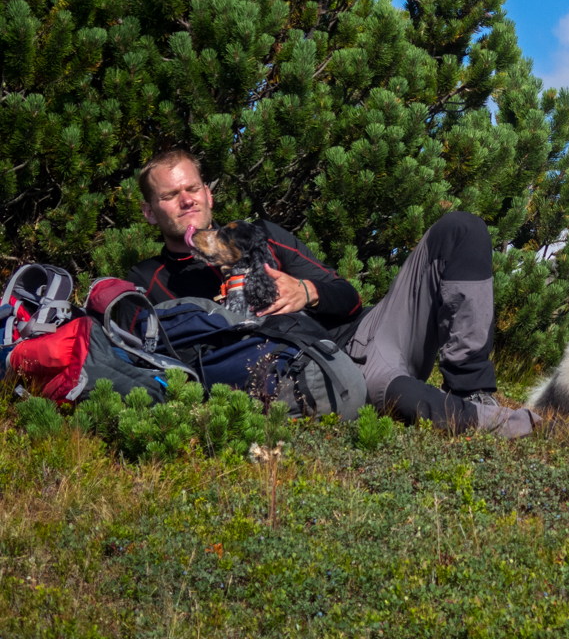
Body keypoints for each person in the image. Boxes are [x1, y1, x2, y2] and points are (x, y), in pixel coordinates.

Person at [127, 148, 542, 437]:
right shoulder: (150, 280)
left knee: (462, 228)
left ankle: (473, 391)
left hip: (362, 340)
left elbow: (349, 299)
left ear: (208, 193)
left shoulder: (259, 236)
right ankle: (525, 427)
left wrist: (307, 291)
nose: (186, 201)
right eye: (169, 195)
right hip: (325, 376)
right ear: (149, 211)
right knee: (410, 399)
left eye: (193, 189)